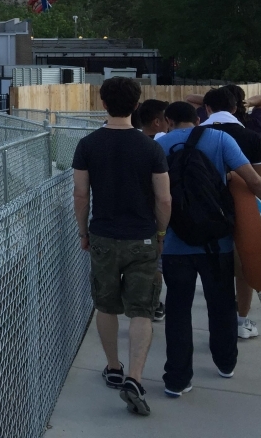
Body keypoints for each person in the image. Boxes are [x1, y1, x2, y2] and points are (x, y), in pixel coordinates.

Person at [155, 101, 261, 399]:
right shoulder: (220, 139)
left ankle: (177, 380)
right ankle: (225, 362)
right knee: (220, 304)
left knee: (178, 310)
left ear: (167, 120)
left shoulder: (159, 145)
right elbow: (254, 180)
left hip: (175, 242)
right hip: (215, 242)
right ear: (198, 118)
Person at [73, 77, 172, 417]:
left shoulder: (87, 144)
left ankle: (113, 367)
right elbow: (164, 198)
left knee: (106, 305)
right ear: (136, 106)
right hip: (142, 237)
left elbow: (81, 194)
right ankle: (134, 376)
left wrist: (83, 231)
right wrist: (160, 233)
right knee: (142, 310)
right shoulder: (151, 148)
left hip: (102, 235)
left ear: (103, 103)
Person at [200, 88, 261, 340]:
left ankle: (217, 319)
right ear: (234, 109)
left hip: (203, 210)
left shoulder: (196, 136)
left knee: (213, 269)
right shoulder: (250, 136)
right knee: (243, 267)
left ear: (206, 109)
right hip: (242, 209)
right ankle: (241, 320)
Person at [135, 99, 170, 321]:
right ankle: (154, 303)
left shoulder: (131, 142)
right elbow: (164, 196)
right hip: (154, 217)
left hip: (131, 216)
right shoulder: (160, 146)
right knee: (155, 264)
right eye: (166, 119)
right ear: (157, 122)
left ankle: (140, 301)